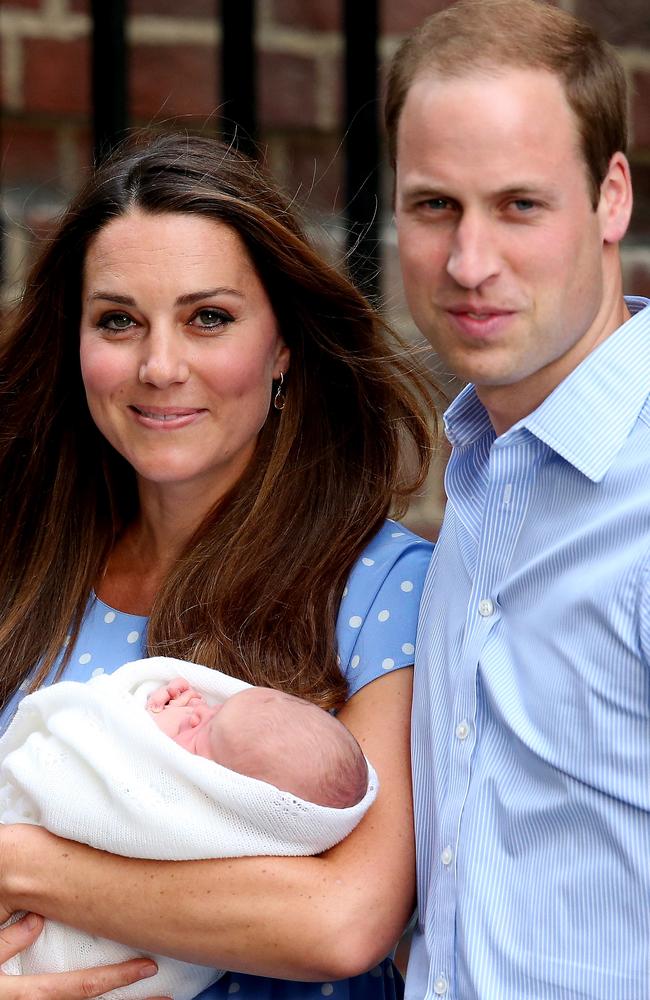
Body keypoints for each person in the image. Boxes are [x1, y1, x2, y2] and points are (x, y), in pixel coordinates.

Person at [0, 131, 438, 999]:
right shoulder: (23, 568)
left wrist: (20, 864)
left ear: (282, 351)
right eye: (118, 320)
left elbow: (341, 923)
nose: (161, 367)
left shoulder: (386, 587)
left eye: (209, 318)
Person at [385, 1, 650, 997]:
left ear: (608, 196)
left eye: (518, 206)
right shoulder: (480, 469)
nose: (467, 264)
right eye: (433, 206)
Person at [0, 659, 376, 998]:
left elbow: (110, 787)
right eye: (213, 708)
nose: (197, 710)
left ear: (232, 796)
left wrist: (136, 714)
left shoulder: (194, 820)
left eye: (206, 733)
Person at [146, 674, 369, 808]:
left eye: (201, 737)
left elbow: (137, 755)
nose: (198, 713)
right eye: (217, 708)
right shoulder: (227, 735)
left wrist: (149, 719)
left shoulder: (187, 809)